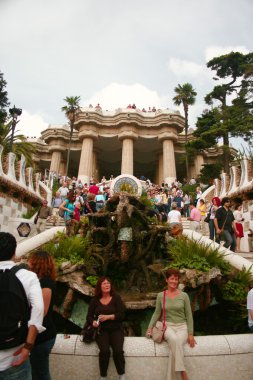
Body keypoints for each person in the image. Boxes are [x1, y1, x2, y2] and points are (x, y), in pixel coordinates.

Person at [0, 232, 44, 380]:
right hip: (15, 355)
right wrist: (28, 346)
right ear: (15, 251)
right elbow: (38, 310)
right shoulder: (28, 276)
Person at [146, 268, 195, 380]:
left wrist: (190, 333)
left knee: (175, 345)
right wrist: (149, 327)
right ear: (167, 280)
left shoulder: (184, 296)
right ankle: (183, 372)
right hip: (167, 326)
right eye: (171, 279)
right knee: (173, 339)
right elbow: (156, 313)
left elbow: (189, 316)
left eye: (176, 279)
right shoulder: (160, 296)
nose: (174, 281)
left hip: (182, 327)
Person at [86, 277, 125, 380]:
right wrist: (93, 322)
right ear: (100, 286)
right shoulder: (94, 300)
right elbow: (88, 316)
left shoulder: (116, 298)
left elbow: (122, 315)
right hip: (101, 330)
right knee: (104, 351)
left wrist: (109, 317)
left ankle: (121, 375)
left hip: (116, 329)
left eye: (108, 283)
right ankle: (103, 377)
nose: (107, 285)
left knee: (118, 351)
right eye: (104, 283)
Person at [28, 250, 57, 380]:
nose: (29, 264)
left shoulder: (46, 283)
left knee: (41, 373)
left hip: (42, 337)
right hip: (42, 336)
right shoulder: (41, 282)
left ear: (38, 264)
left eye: (31, 261)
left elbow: (42, 312)